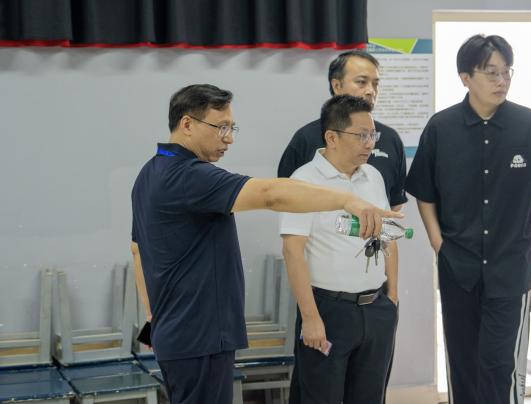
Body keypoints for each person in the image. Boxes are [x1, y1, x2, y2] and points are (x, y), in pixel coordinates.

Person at [130, 84, 400, 404]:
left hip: (179, 332)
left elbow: (137, 250)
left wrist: (155, 316)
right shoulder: (188, 176)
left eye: (232, 129)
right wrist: (347, 200)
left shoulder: (150, 172)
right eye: (222, 127)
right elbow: (270, 195)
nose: (229, 138)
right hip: (200, 335)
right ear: (187, 124)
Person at [405, 34, 531, 404]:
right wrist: (438, 243)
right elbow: (424, 194)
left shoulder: (529, 125)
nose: (501, 80)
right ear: (465, 77)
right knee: (463, 362)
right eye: (491, 73)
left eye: (507, 72)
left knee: (499, 365)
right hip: (458, 267)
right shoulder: (441, 128)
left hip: (511, 266)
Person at [277, 49, 406, 400]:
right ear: (332, 137)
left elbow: (389, 237)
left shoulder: (373, 176)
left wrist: (392, 298)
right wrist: (311, 317)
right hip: (329, 308)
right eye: (361, 136)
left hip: (375, 307)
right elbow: (292, 251)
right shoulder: (304, 180)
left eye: (372, 136)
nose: (370, 144)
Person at [277, 50, 407, 212]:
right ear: (337, 86)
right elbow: (286, 200)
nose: (371, 91)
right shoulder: (305, 138)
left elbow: (394, 203)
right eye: (361, 82)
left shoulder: (390, 139)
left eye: (375, 84)